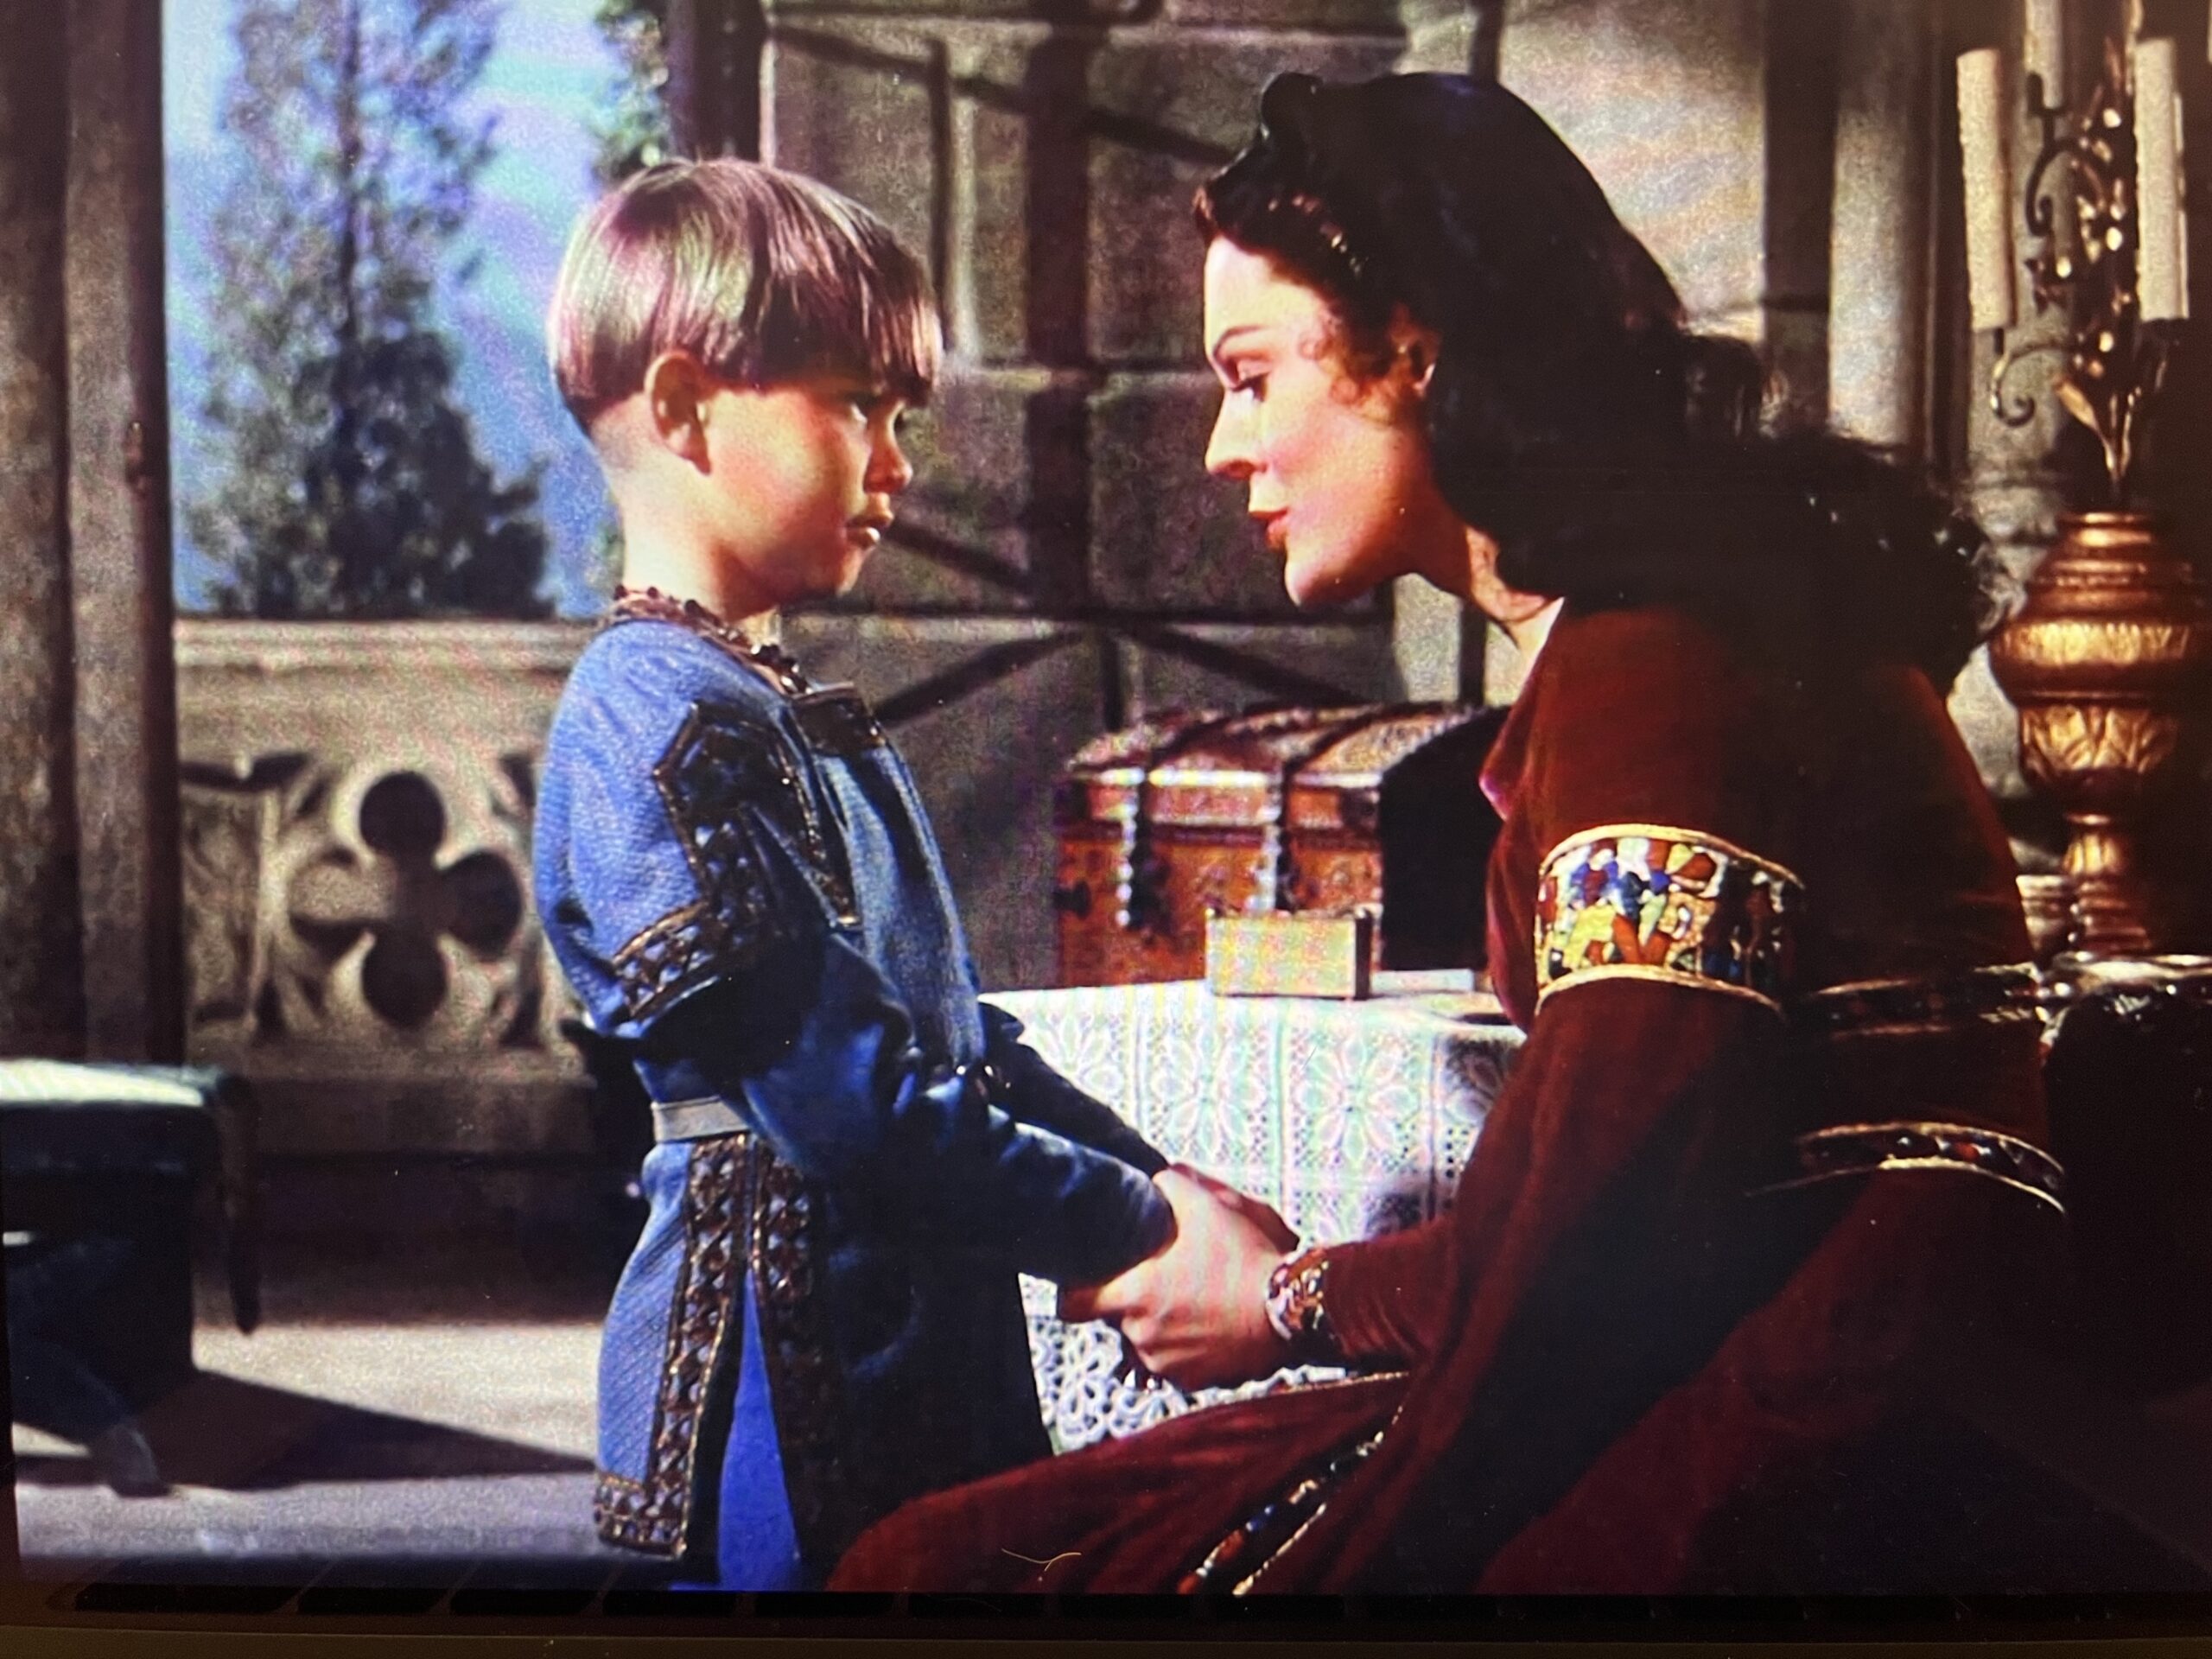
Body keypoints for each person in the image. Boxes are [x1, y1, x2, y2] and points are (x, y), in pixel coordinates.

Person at [830, 72, 2202, 1594]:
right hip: (1774, 1312)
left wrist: (1291, 1304)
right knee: (958, 1551)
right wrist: (1313, 1297)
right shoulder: (1641, 639)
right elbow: (1595, 1179)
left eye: (1250, 374)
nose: (1225, 448)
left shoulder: (1656, 662)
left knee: (966, 1577)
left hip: (1831, 1378)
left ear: (1409, 354)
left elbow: (1608, 1204)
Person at [532, 158, 1194, 1590]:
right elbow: (852, 1105)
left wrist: (1162, 1183)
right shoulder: (654, 723)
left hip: (904, 1308)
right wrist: (1132, 1223)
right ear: (687, 405)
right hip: (786, 1360)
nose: (897, 462)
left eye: (903, 420)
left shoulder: (763, 701)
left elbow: (952, 1037)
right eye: (855, 409)